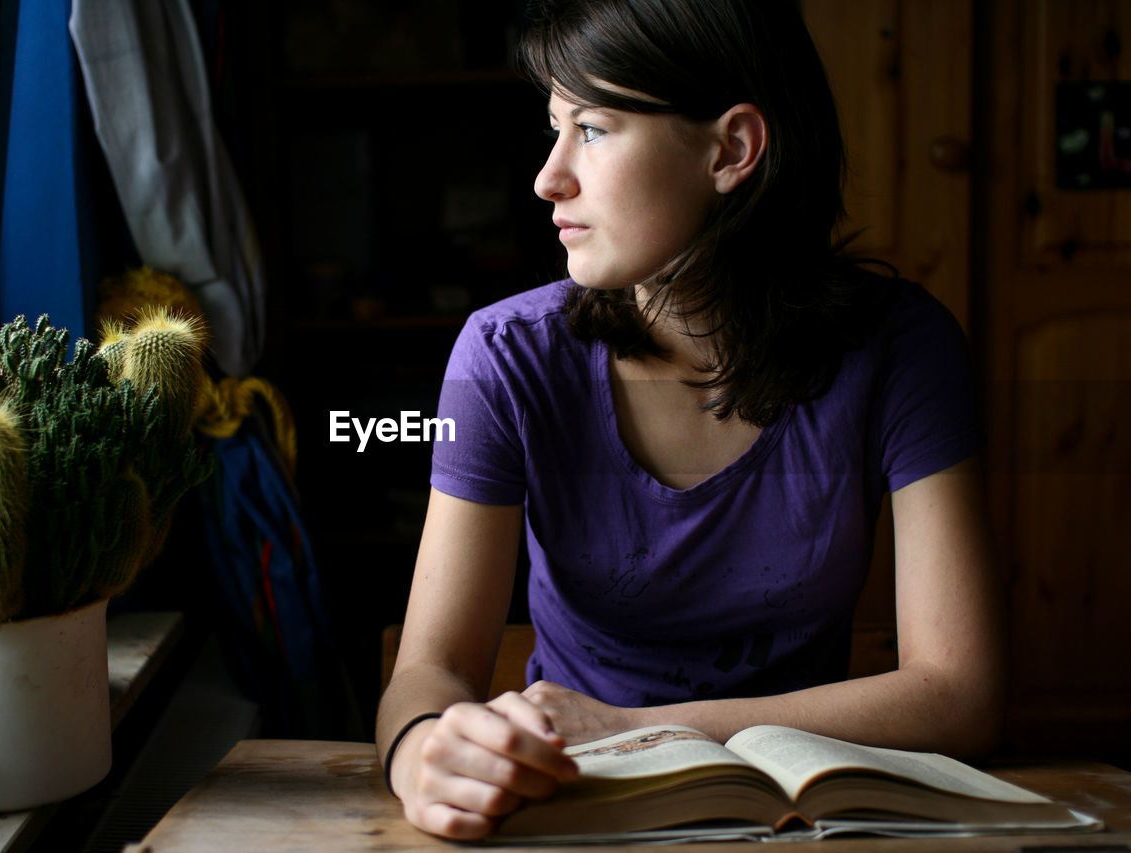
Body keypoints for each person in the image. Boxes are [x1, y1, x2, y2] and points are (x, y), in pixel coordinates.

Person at [375, 0, 1003, 840]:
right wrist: (423, 752)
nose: (548, 176)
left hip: (799, 820)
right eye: (553, 127)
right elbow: (434, 667)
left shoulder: (902, 348)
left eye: (591, 129)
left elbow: (960, 694)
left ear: (731, 149)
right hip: (570, 807)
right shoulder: (505, 357)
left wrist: (645, 732)